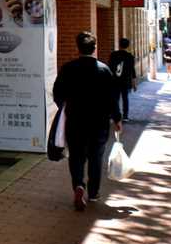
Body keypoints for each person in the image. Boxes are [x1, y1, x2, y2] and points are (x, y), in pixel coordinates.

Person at [53, 32, 122, 211]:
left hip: (75, 121)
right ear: (94, 48)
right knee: (95, 157)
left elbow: (58, 93)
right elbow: (112, 97)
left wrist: (65, 107)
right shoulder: (104, 70)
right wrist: (117, 118)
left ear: (78, 48)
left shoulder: (68, 68)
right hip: (99, 123)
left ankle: (78, 185)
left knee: (76, 156)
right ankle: (93, 193)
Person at [108, 38, 137, 121]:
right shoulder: (130, 56)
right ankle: (125, 116)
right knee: (125, 98)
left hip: (115, 81)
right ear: (128, 46)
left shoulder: (113, 55)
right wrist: (134, 83)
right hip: (125, 81)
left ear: (119, 45)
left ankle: (115, 115)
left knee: (115, 98)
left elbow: (109, 68)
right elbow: (132, 70)